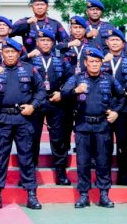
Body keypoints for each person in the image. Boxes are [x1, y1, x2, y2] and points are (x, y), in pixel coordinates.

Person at [0, 38, 46, 210]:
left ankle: (31, 195)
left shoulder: (29, 69)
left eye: (13, 52)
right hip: (2, 118)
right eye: (6, 52)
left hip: (23, 118)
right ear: (2, 53)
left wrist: (33, 106)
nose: (10, 54)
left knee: (26, 158)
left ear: (19, 53)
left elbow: (41, 90)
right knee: (0, 158)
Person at [61, 46, 124, 208]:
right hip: (83, 125)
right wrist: (76, 90)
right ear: (85, 63)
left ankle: (104, 194)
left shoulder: (109, 79)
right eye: (91, 62)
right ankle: (83, 195)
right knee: (83, 162)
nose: (94, 64)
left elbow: (122, 96)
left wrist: (116, 112)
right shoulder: (77, 78)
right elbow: (63, 94)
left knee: (103, 161)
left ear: (102, 63)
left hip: (103, 125)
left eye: (97, 62)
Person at [29, 28, 72, 185]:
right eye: (42, 41)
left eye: (48, 41)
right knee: (32, 138)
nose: (45, 43)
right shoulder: (29, 59)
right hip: (36, 102)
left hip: (56, 101)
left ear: (53, 43)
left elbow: (70, 79)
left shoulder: (61, 60)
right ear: (37, 42)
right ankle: (30, 173)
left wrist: (62, 93)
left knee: (58, 138)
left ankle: (60, 173)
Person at [101, 28, 127, 185]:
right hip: (104, 107)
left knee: (124, 143)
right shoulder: (99, 59)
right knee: (104, 144)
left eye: (118, 40)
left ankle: (123, 175)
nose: (114, 43)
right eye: (111, 40)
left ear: (124, 43)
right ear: (107, 43)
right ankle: (105, 177)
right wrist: (103, 61)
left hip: (124, 108)